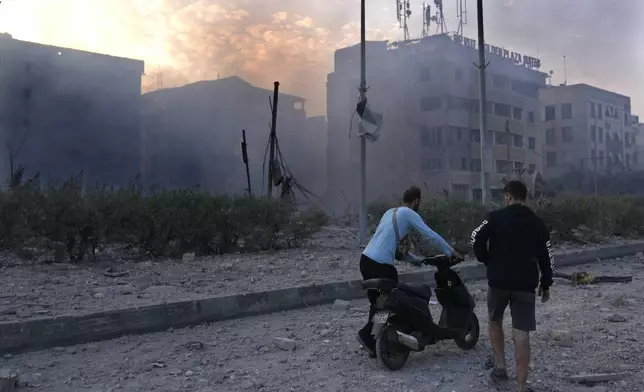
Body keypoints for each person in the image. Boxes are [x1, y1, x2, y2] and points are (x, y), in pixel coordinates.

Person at [357, 185, 462, 357]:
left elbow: (392, 247)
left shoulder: (390, 212)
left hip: (366, 260)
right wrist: (451, 252)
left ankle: (372, 341)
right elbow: (430, 235)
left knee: (379, 303)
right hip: (382, 265)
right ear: (416, 200)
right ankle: (378, 336)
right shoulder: (409, 213)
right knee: (397, 301)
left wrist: (414, 260)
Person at [470, 180, 554, 392]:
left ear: (508, 196)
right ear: (524, 198)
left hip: (498, 281)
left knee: (494, 320)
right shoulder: (537, 223)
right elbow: (547, 255)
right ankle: (521, 387)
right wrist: (546, 282)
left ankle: (500, 368)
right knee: (522, 332)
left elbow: (475, 238)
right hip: (526, 283)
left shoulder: (495, 218)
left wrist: (487, 260)